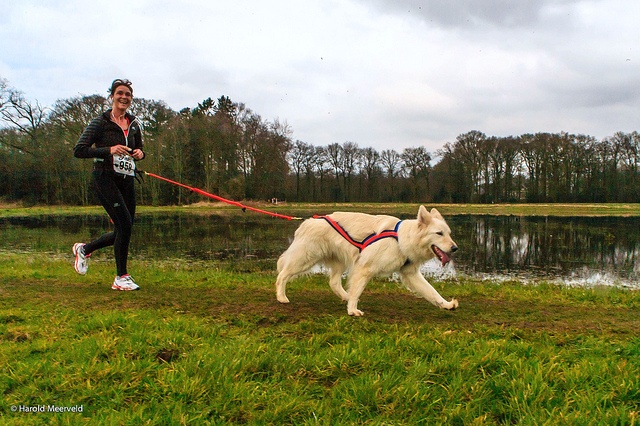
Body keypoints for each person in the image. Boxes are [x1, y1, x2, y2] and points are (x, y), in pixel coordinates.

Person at [72, 79, 145, 291]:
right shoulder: (100, 123)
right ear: (112, 96)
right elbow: (79, 150)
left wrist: (140, 154)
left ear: (131, 99)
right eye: (120, 93)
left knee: (125, 228)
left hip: (127, 179)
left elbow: (139, 149)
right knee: (124, 225)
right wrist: (109, 150)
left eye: (128, 95)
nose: (124, 97)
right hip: (104, 178)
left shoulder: (133, 125)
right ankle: (121, 277)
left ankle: (85, 249)